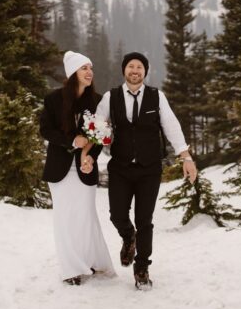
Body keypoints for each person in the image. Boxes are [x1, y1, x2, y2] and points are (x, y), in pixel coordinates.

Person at [94, 51, 197, 290]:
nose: (135, 70)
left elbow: (172, 127)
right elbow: (97, 129)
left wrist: (186, 157)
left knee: (145, 220)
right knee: (117, 214)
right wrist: (89, 154)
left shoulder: (156, 97)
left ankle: (142, 268)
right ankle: (128, 236)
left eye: (139, 67)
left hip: (149, 168)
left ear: (145, 72)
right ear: (124, 71)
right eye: (131, 66)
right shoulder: (111, 97)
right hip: (120, 167)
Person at [39, 51, 115, 285]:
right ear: (73, 73)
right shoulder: (53, 100)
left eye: (91, 68)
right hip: (59, 169)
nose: (89, 72)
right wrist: (72, 142)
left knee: (86, 216)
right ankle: (71, 269)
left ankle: (92, 261)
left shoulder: (97, 101)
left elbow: (99, 134)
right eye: (84, 68)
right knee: (65, 218)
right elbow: (46, 131)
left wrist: (90, 156)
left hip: (84, 168)